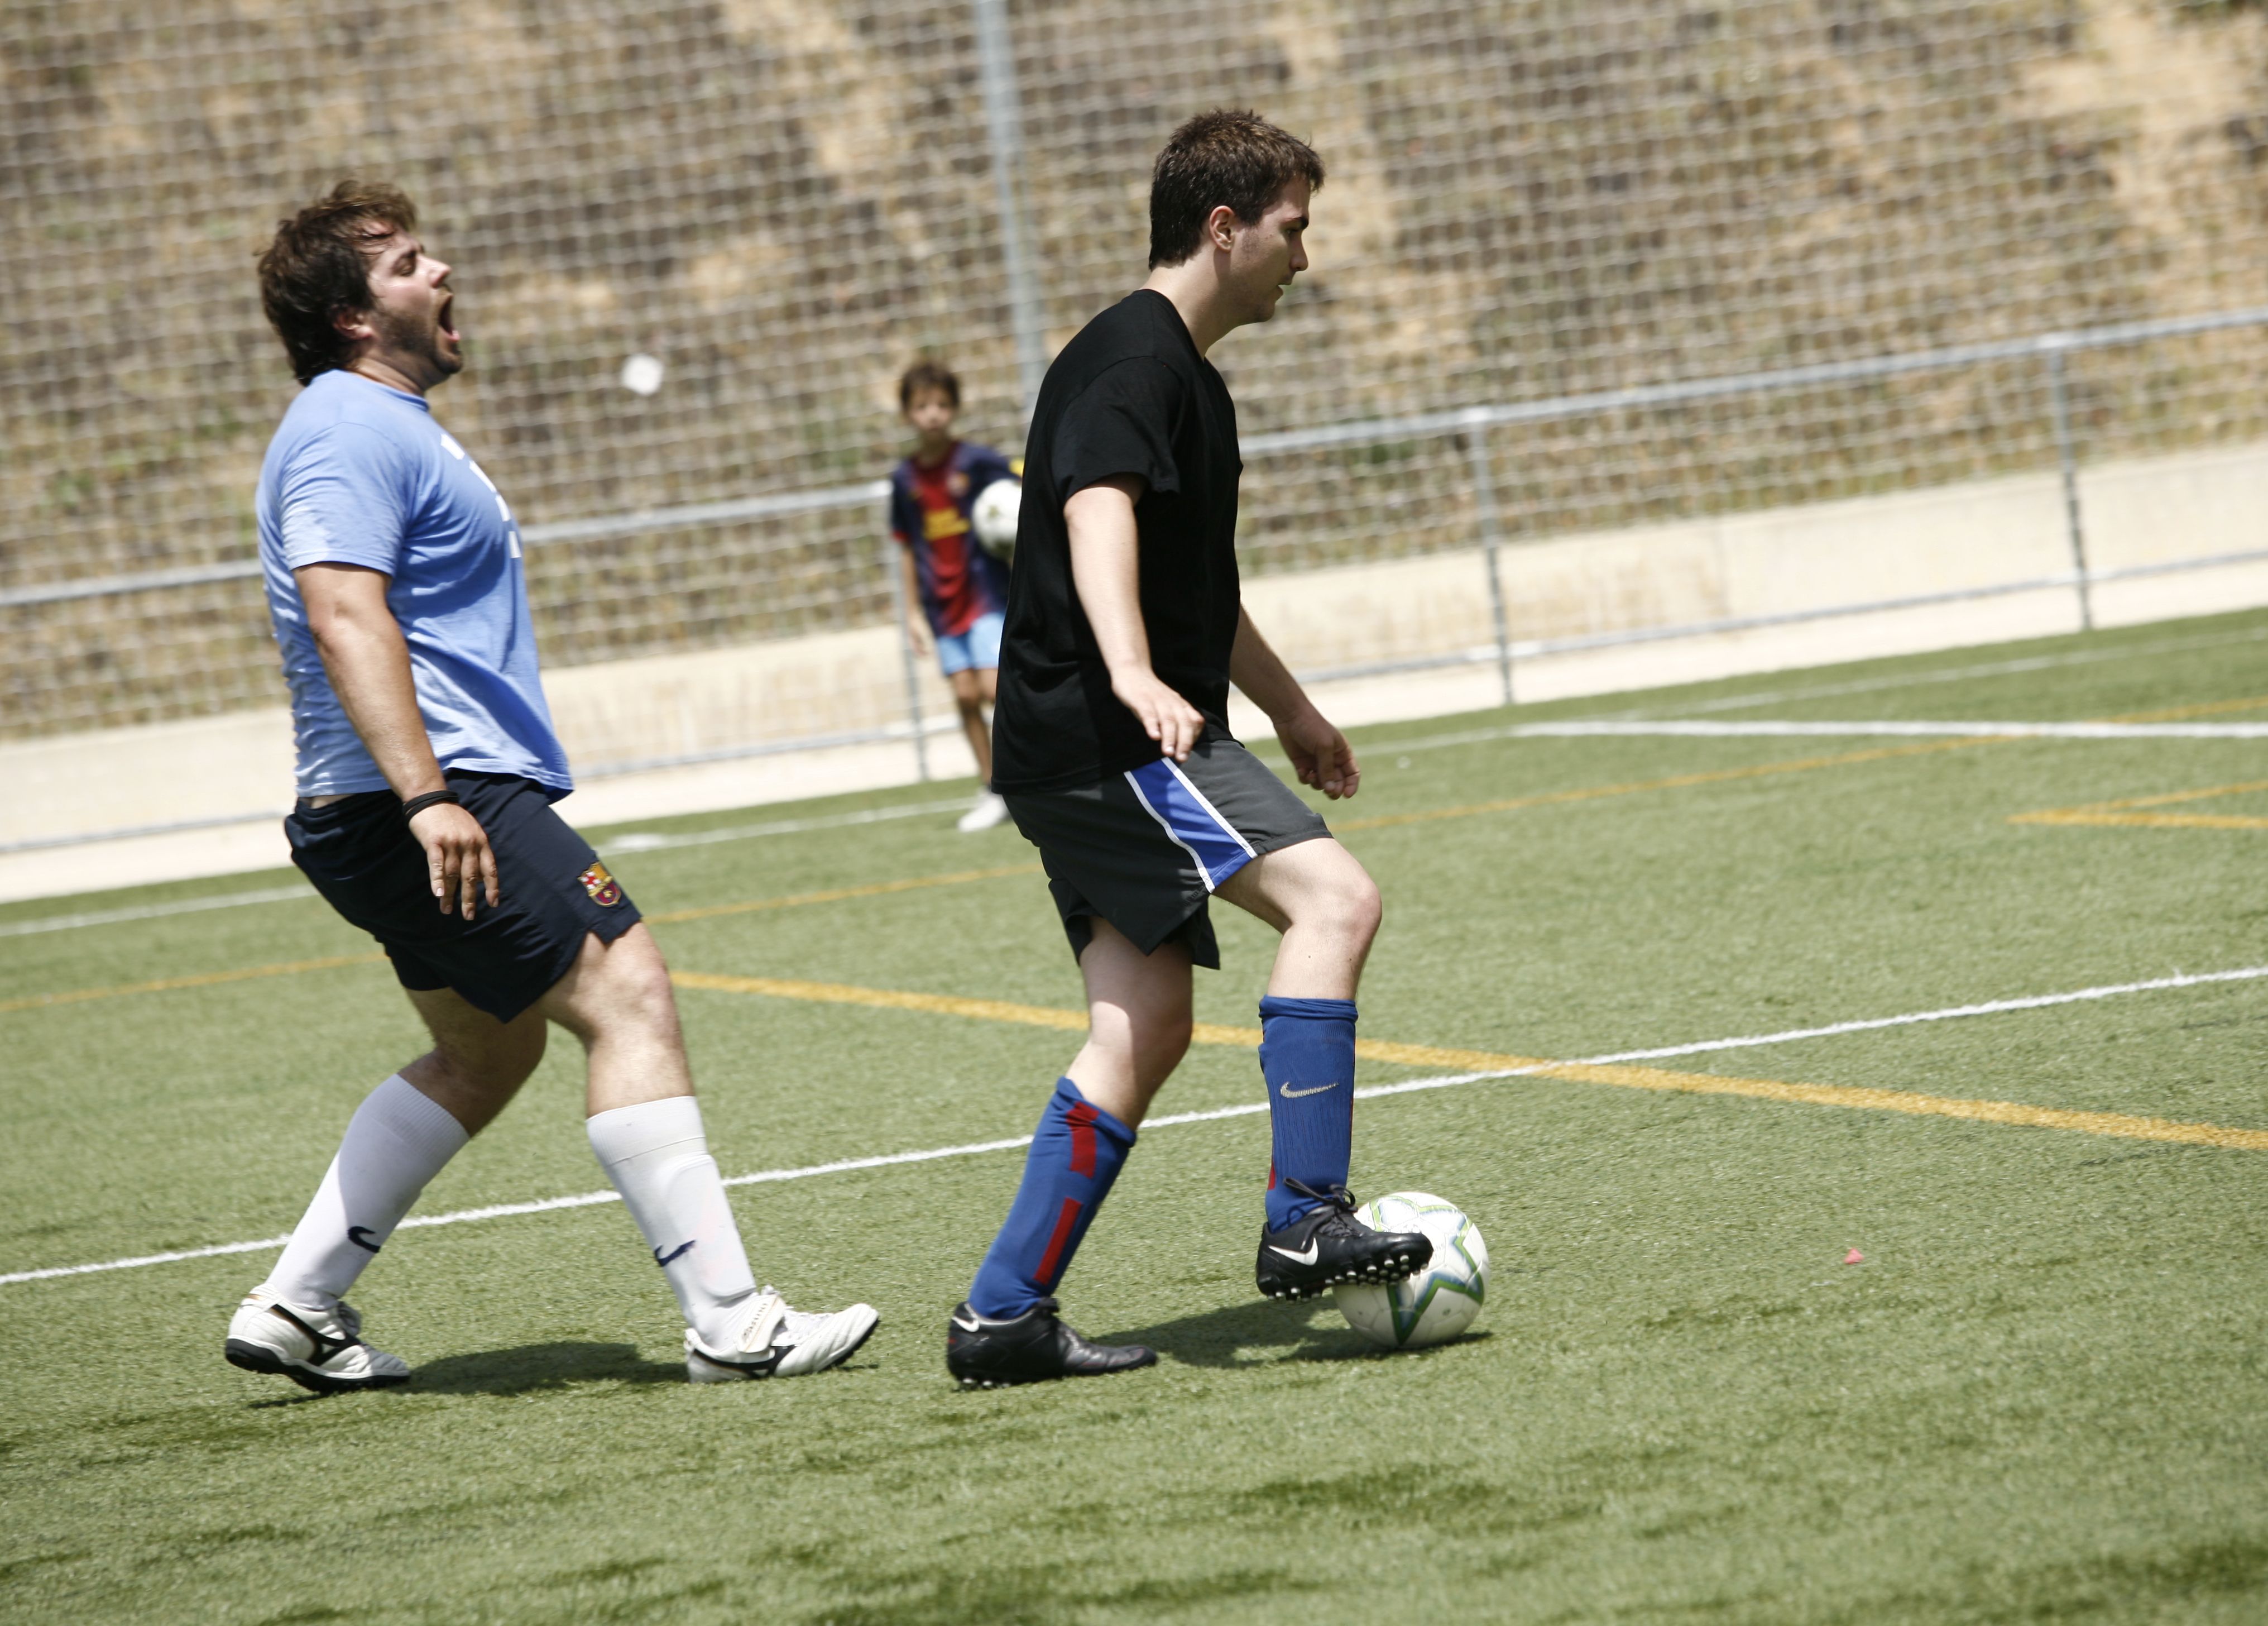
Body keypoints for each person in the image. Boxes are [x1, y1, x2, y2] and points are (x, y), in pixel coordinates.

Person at [229, 180, 876, 1394]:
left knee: (487, 1053)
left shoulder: (388, 421)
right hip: (418, 793)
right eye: (410, 263)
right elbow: (340, 609)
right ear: (353, 318)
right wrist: (429, 795)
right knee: (627, 987)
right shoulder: (347, 426)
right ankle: (732, 1319)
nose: (441, 271)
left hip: (384, 802)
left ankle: (297, 1303)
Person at [943, 112, 1433, 1389]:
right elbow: (1096, 511)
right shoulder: (1135, 362)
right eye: (1293, 228)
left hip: (1076, 744)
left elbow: (1200, 590)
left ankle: (1004, 1312)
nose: (1304, 258)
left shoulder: (1183, 377)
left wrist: (1294, 710)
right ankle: (1306, 1215)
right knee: (1336, 898)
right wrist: (1130, 673)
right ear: (1226, 228)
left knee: (1144, 1023)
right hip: (1111, 738)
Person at [889, 361, 1018, 833]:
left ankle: (1025, 777)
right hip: (942, 606)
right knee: (965, 697)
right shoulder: (904, 480)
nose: (933, 415)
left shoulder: (977, 463)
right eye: (922, 407)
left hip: (985, 593)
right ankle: (993, 789)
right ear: (907, 414)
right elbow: (906, 544)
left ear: (956, 409)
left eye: (942, 405)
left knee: (994, 688)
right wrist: (911, 612)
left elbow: (1017, 497)